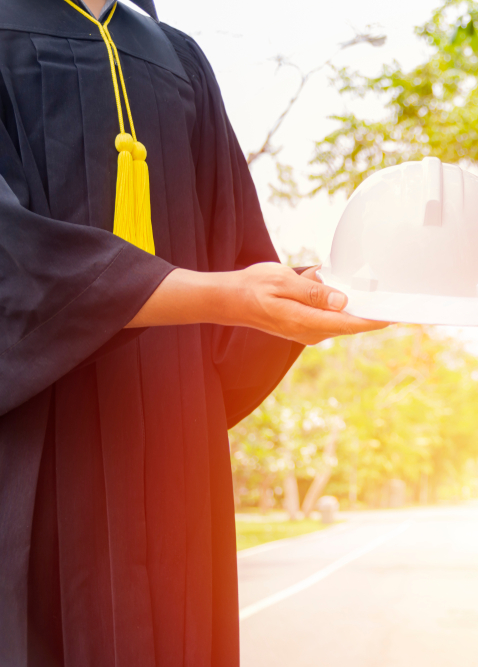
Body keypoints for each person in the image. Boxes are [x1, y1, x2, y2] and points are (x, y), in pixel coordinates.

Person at [0, 0, 385, 664]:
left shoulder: (178, 59)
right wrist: (225, 296)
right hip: (37, 455)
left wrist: (310, 298)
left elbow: (238, 260)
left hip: (176, 463)